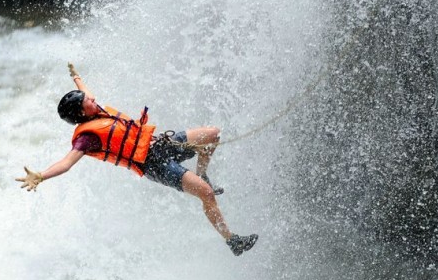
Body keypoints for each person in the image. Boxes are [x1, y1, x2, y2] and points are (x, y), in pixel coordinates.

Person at [15, 64, 258, 256]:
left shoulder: (93, 108)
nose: (91, 99)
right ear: (81, 113)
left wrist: (76, 77)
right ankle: (232, 240)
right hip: (152, 164)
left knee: (212, 134)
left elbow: (87, 92)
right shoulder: (87, 138)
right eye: (85, 101)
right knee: (206, 193)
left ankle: (203, 172)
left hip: (161, 143)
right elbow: (66, 163)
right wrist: (41, 176)